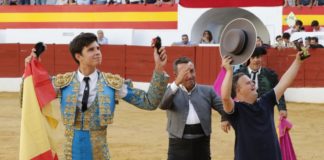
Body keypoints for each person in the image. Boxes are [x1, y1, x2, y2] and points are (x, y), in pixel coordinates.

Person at [23, 33, 169, 160]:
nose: (98, 52)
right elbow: (28, 100)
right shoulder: (62, 83)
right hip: (71, 154)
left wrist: (158, 68)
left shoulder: (112, 84)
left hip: (99, 155)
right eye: (91, 49)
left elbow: (149, 102)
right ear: (78, 56)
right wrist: (29, 71)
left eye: (98, 48)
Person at [221, 50, 306, 160]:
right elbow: (225, 97)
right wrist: (229, 72)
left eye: (252, 82)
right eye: (248, 83)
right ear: (238, 90)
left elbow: (284, 82)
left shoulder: (266, 101)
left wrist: (298, 61)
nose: (253, 83)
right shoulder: (236, 110)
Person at [159, 57, 229, 160]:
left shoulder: (208, 91)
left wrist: (225, 118)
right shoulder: (171, 91)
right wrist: (177, 83)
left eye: (192, 71)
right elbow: (162, 105)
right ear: (176, 75)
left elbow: (225, 107)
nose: (190, 76)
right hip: (177, 143)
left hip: (202, 143)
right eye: (184, 73)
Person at [235, 47, 288, 118]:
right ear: (248, 59)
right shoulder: (239, 74)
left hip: (265, 112)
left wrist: (282, 108)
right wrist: (225, 117)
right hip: (244, 112)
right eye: (253, 57)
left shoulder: (269, 74)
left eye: (258, 57)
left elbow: (279, 91)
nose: (256, 60)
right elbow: (229, 94)